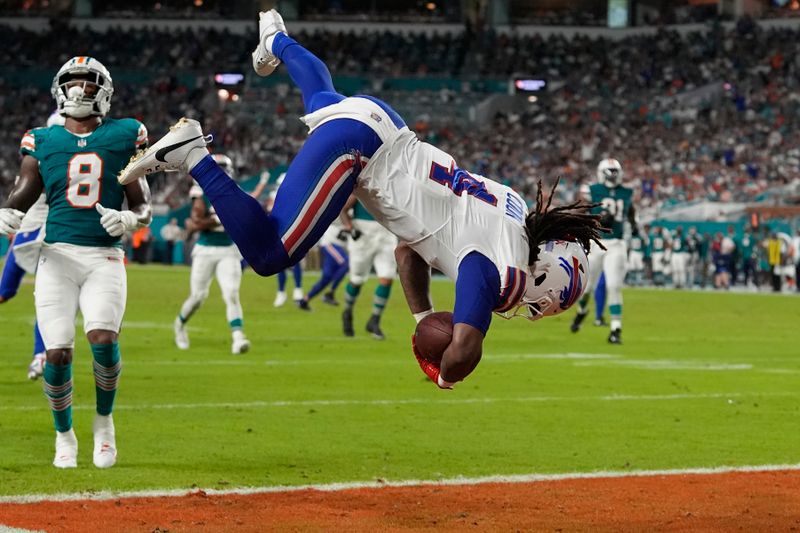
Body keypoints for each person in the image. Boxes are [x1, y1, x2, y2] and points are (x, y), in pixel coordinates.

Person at [118, 10, 603, 389]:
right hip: (363, 155)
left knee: (322, 97)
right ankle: (194, 156)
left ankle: (277, 40)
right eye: (541, 304)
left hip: (383, 124)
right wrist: (443, 374)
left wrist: (420, 318)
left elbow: (408, 249)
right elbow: (465, 348)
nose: (530, 309)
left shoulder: (513, 212)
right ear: (544, 276)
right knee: (270, 254)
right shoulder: (503, 269)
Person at [0, 56, 151, 468]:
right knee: (58, 354)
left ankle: (104, 422)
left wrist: (129, 218)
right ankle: (63, 435)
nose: (79, 90)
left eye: (88, 83)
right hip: (57, 256)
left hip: (104, 255)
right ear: (59, 89)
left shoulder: (124, 134)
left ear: (103, 90)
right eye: (73, 83)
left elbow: (142, 205)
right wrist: (7, 214)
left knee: (103, 338)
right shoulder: (43, 139)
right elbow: (22, 194)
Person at [173, 154, 251, 355]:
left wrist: (217, 219)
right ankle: (179, 325)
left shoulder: (235, 192)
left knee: (231, 293)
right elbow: (197, 222)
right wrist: (218, 220)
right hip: (206, 249)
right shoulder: (200, 192)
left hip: (229, 250)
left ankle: (238, 337)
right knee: (198, 296)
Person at [569, 158, 637, 344]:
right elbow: (580, 212)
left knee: (613, 286)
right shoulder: (592, 190)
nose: (613, 176)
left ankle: (616, 329)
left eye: (615, 172)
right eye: (610, 172)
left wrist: (634, 225)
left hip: (617, 243)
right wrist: (597, 219)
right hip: (596, 243)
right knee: (587, 287)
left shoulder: (627, 192)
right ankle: (582, 312)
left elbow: (630, 210)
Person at [339, 196, 398, 340]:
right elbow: (343, 210)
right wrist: (348, 227)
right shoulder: (363, 181)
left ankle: (375, 320)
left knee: (387, 277)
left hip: (386, 231)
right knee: (357, 279)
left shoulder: (393, 183)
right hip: (363, 233)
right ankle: (347, 310)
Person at [297, 219, 349, 309]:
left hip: (337, 246)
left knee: (327, 277)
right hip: (330, 243)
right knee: (346, 263)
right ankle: (330, 293)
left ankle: (304, 300)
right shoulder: (345, 208)